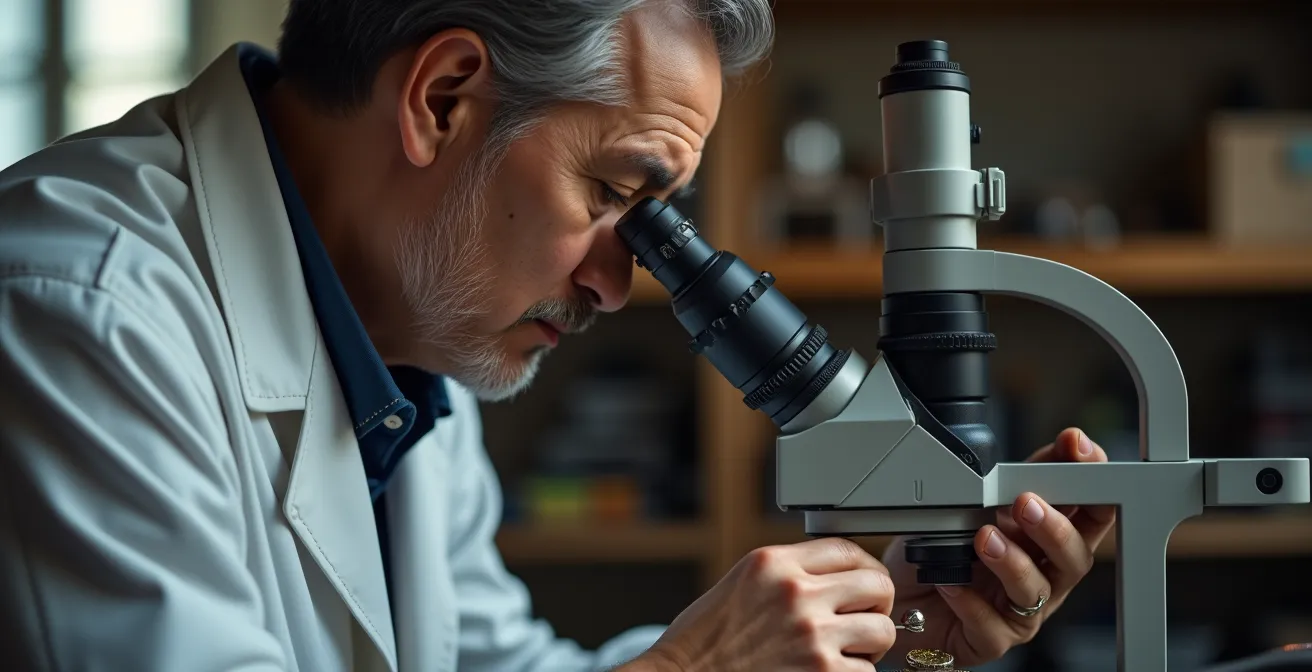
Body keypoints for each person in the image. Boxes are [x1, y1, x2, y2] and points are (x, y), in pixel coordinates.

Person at [0, 1, 1115, 670]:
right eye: (614, 191)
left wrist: (897, 639)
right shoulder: (78, 311)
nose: (620, 282)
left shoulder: (402, 325)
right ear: (443, 98)